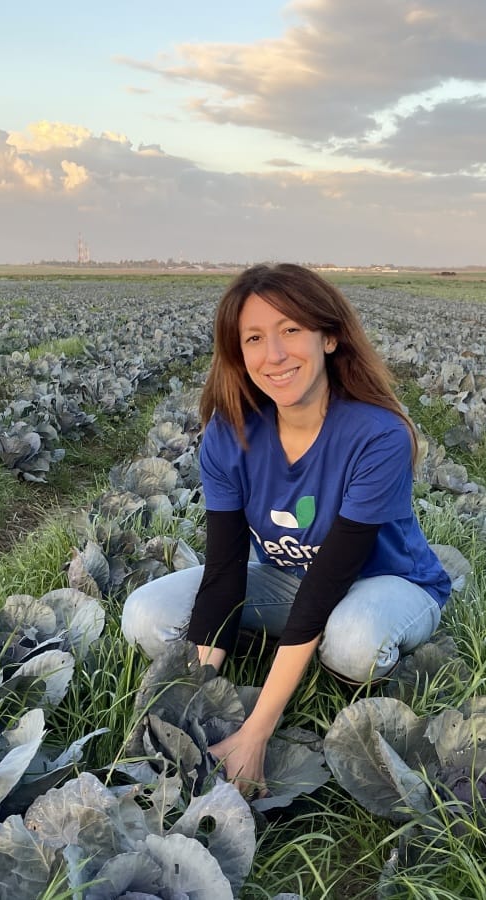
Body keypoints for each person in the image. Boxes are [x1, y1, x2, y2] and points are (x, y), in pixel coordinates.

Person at [120, 262, 452, 795]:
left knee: (353, 643)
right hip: (286, 575)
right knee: (146, 617)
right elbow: (225, 573)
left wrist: (255, 731)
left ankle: (325, 659)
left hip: (384, 581)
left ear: (329, 337)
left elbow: (328, 582)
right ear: (238, 352)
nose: (274, 355)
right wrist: (198, 707)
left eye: (291, 330)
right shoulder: (229, 435)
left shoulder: (377, 435)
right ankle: (280, 649)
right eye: (254, 338)